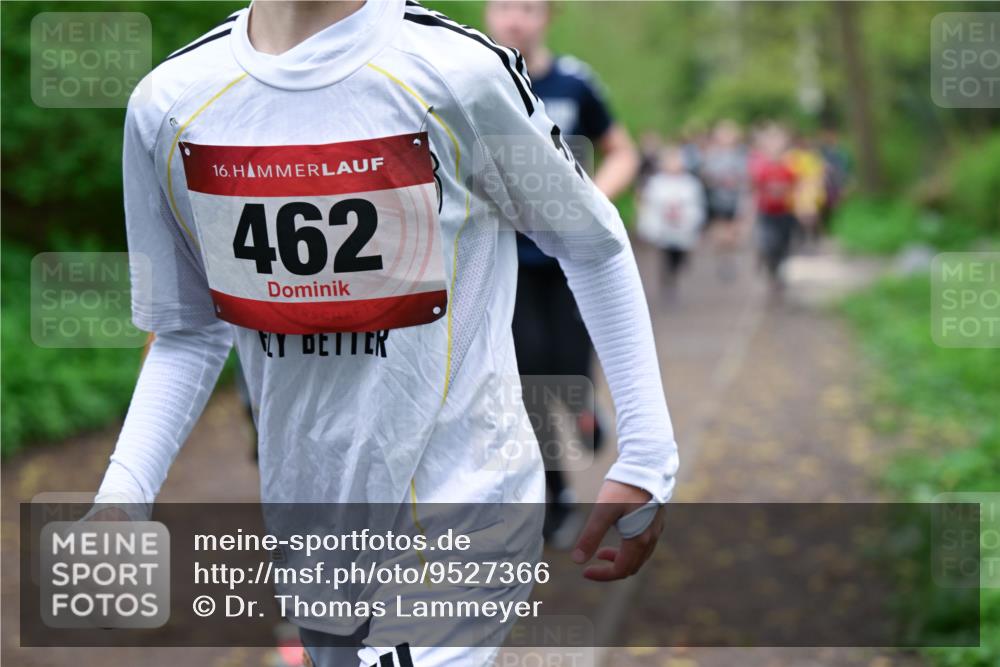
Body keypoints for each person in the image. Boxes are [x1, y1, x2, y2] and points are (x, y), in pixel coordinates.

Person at [94, 2, 678, 666]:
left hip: (465, 511)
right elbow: (189, 329)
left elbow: (590, 242)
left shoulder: (456, 73)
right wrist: (122, 497)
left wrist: (647, 457)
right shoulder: (171, 103)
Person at [485, 0, 641, 540]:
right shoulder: (472, 81)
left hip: (569, 260)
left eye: (528, 7)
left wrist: (589, 202)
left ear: (548, 16)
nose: (515, 19)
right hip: (508, 264)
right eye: (503, 6)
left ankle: (584, 407)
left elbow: (622, 152)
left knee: (566, 370)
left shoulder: (575, 83)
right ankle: (555, 498)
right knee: (528, 380)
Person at [637, 146, 706, 297]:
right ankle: (668, 280)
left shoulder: (690, 183)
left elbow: (696, 205)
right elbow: (649, 205)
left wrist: (694, 222)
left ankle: (675, 272)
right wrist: (648, 227)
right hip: (664, 228)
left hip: (683, 228)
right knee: (666, 255)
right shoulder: (656, 183)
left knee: (679, 255)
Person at [749, 124, 798, 293]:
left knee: (784, 245)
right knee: (769, 244)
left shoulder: (791, 163)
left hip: (786, 211)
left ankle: (777, 272)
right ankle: (771, 270)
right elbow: (753, 186)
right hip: (766, 212)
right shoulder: (760, 165)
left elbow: (797, 184)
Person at [700, 119, 748, 278]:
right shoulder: (712, 155)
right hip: (718, 201)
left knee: (733, 235)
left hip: (735, 201)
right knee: (720, 234)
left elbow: (746, 177)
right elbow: (706, 176)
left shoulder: (740, 155)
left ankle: (729, 259)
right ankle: (722, 260)